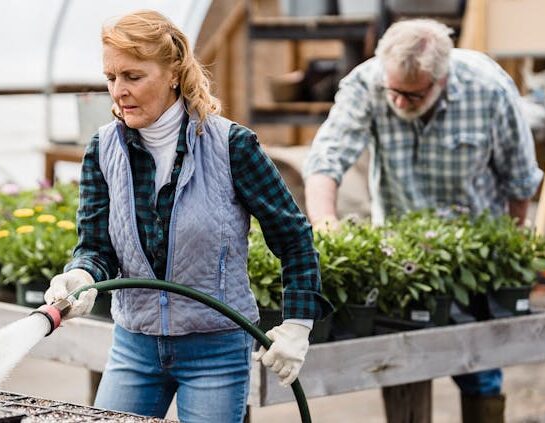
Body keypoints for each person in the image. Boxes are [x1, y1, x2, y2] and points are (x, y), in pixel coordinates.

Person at [43, 10, 332, 423]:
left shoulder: (231, 146)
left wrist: (298, 323)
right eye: (111, 78)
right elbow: (95, 246)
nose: (118, 92)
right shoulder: (103, 149)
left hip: (216, 349)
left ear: (174, 72)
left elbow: (293, 235)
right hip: (134, 345)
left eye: (133, 76)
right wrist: (82, 276)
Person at [304, 19, 543, 423]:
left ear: (441, 79)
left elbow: (520, 181)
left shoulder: (489, 89)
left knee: (478, 367)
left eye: (412, 97)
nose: (398, 103)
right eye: (393, 92)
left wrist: (509, 252)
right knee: (399, 365)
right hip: (399, 258)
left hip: (472, 259)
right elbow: (325, 162)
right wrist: (326, 225)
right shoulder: (367, 84)